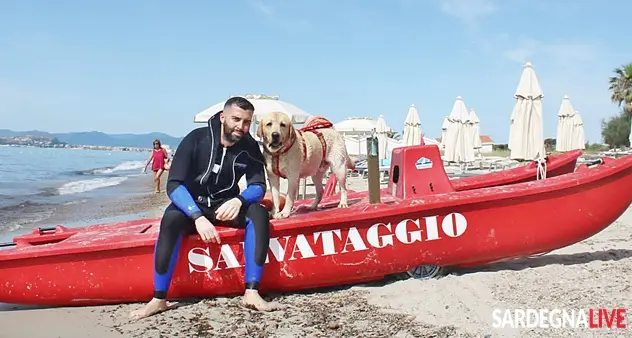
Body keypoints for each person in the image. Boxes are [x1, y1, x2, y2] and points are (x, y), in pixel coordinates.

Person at [130, 96, 277, 320]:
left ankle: (252, 292)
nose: (241, 126)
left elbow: (258, 185)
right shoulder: (196, 139)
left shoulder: (249, 147)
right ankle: (159, 299)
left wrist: (240, 201)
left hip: (225, 205)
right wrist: (196, 216)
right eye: (236, 119)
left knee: (258, 212)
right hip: (192, 205)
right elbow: (174, 184)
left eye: (247, 122)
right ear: (223, 117)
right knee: (170, 220)